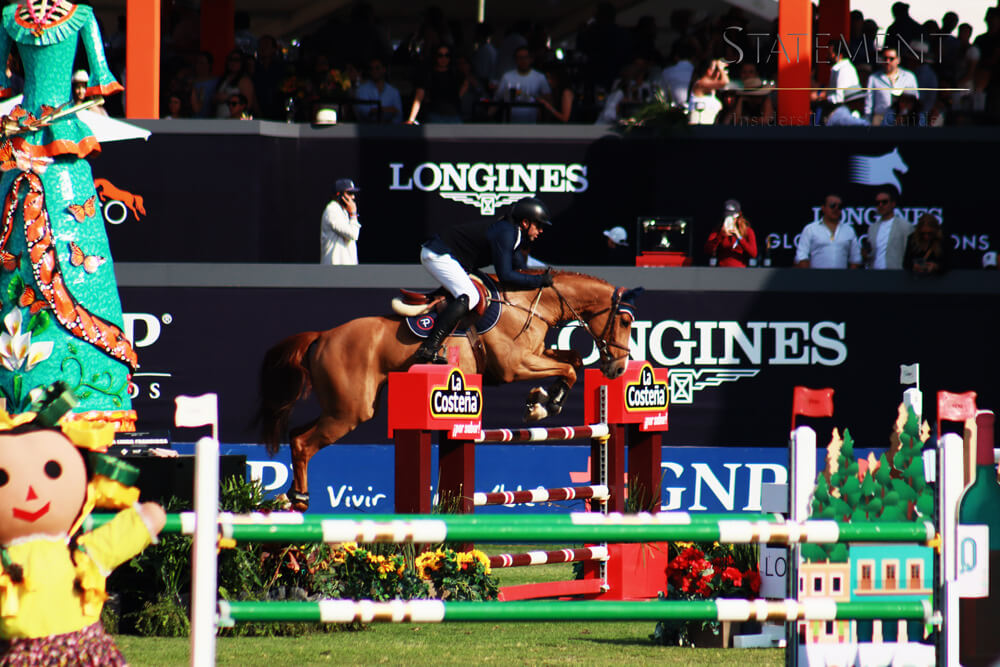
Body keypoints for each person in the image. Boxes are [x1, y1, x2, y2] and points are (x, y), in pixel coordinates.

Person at [416, 197, 554, 363]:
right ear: (525, 223)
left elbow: (520, 270)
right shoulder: (507, 233)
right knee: (471, 296)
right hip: (439, 254)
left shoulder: (514, 234)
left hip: (452, 258)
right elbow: (506, 275)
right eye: (538, 226)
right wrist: (539, 280)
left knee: (475, 290)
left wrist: (540, 279)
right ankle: (429, 347)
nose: (541, 231)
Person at [795, 195, 862, 269]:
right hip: (816, 275)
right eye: (832, 205)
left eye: (839, 207)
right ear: (823, 208)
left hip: (842, 276)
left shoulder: (849, 230)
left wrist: (850, 276)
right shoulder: (810, 229)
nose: (836, 209)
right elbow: (802, 257)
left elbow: (856, 259)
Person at [406, 45, 466, 124]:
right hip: (435, 116)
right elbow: (419, 97)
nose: (444, 58)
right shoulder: (428, 74)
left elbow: (464, 86)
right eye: (440, 55)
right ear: (435, 57)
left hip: (454, 116)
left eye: (447, 55)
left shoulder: (456, 74)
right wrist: (411, 119)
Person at [493, 46, 551, 124]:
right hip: (509, 124)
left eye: (526, 57)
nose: (523, 61)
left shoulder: (540, 77)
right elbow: (497, 99)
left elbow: (548, 99)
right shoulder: (507, 77)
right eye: (520, 58)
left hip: (532, 124)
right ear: (515, 60)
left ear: (531, 59)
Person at [865, 47, 919, 125]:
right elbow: (869, 103)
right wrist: (867, 122)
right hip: (880, 118)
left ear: (898, 60)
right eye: (885, 58)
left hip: (904, 118)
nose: (888, 61)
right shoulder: (874, 78)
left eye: (891, 58)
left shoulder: (909, 77)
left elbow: (915, 98)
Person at [865, 191, 913, 269]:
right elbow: (870, 254)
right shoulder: (872, 228)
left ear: (893, 204)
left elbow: (909, 254)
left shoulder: (904, 226)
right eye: (877, 203)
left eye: (884, 202)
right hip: (874, 272)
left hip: (895, 272)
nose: (880, 205)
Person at [704, 200, 757, 267]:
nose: (730, 219)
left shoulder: (747, 231)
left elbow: (753, 254)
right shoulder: (718, 231)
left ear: (738, 216)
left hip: (741, 270)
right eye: (727, 216)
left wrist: (739, 237)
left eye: (733, 216)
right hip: (722, 269)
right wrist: (720, 235)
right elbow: (708, 250)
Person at [320, 178, 361, 265]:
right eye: (349, 193)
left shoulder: (344, 211)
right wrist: (353, 214)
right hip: (334, 269)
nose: (353, 197)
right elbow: (353, 234)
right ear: (339, 194)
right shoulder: (332, 210)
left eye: (353, 193)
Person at [356, 56, 402, 123]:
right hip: (367, 128)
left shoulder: (394, 91)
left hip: (390, 128)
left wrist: (376, 110)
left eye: (377, 68)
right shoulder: (362, 90)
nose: (374, 71)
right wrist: (388, 110)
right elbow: (364, 113)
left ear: (384, 69)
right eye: (372, 69)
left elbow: (398, 115)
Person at [688, 58, 729, 124]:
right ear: (709, 71)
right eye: (716, 69)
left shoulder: (711, 89)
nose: (718, 72)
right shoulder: (701, 83)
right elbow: (724, 82)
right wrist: (721, 69)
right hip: (697, 126)